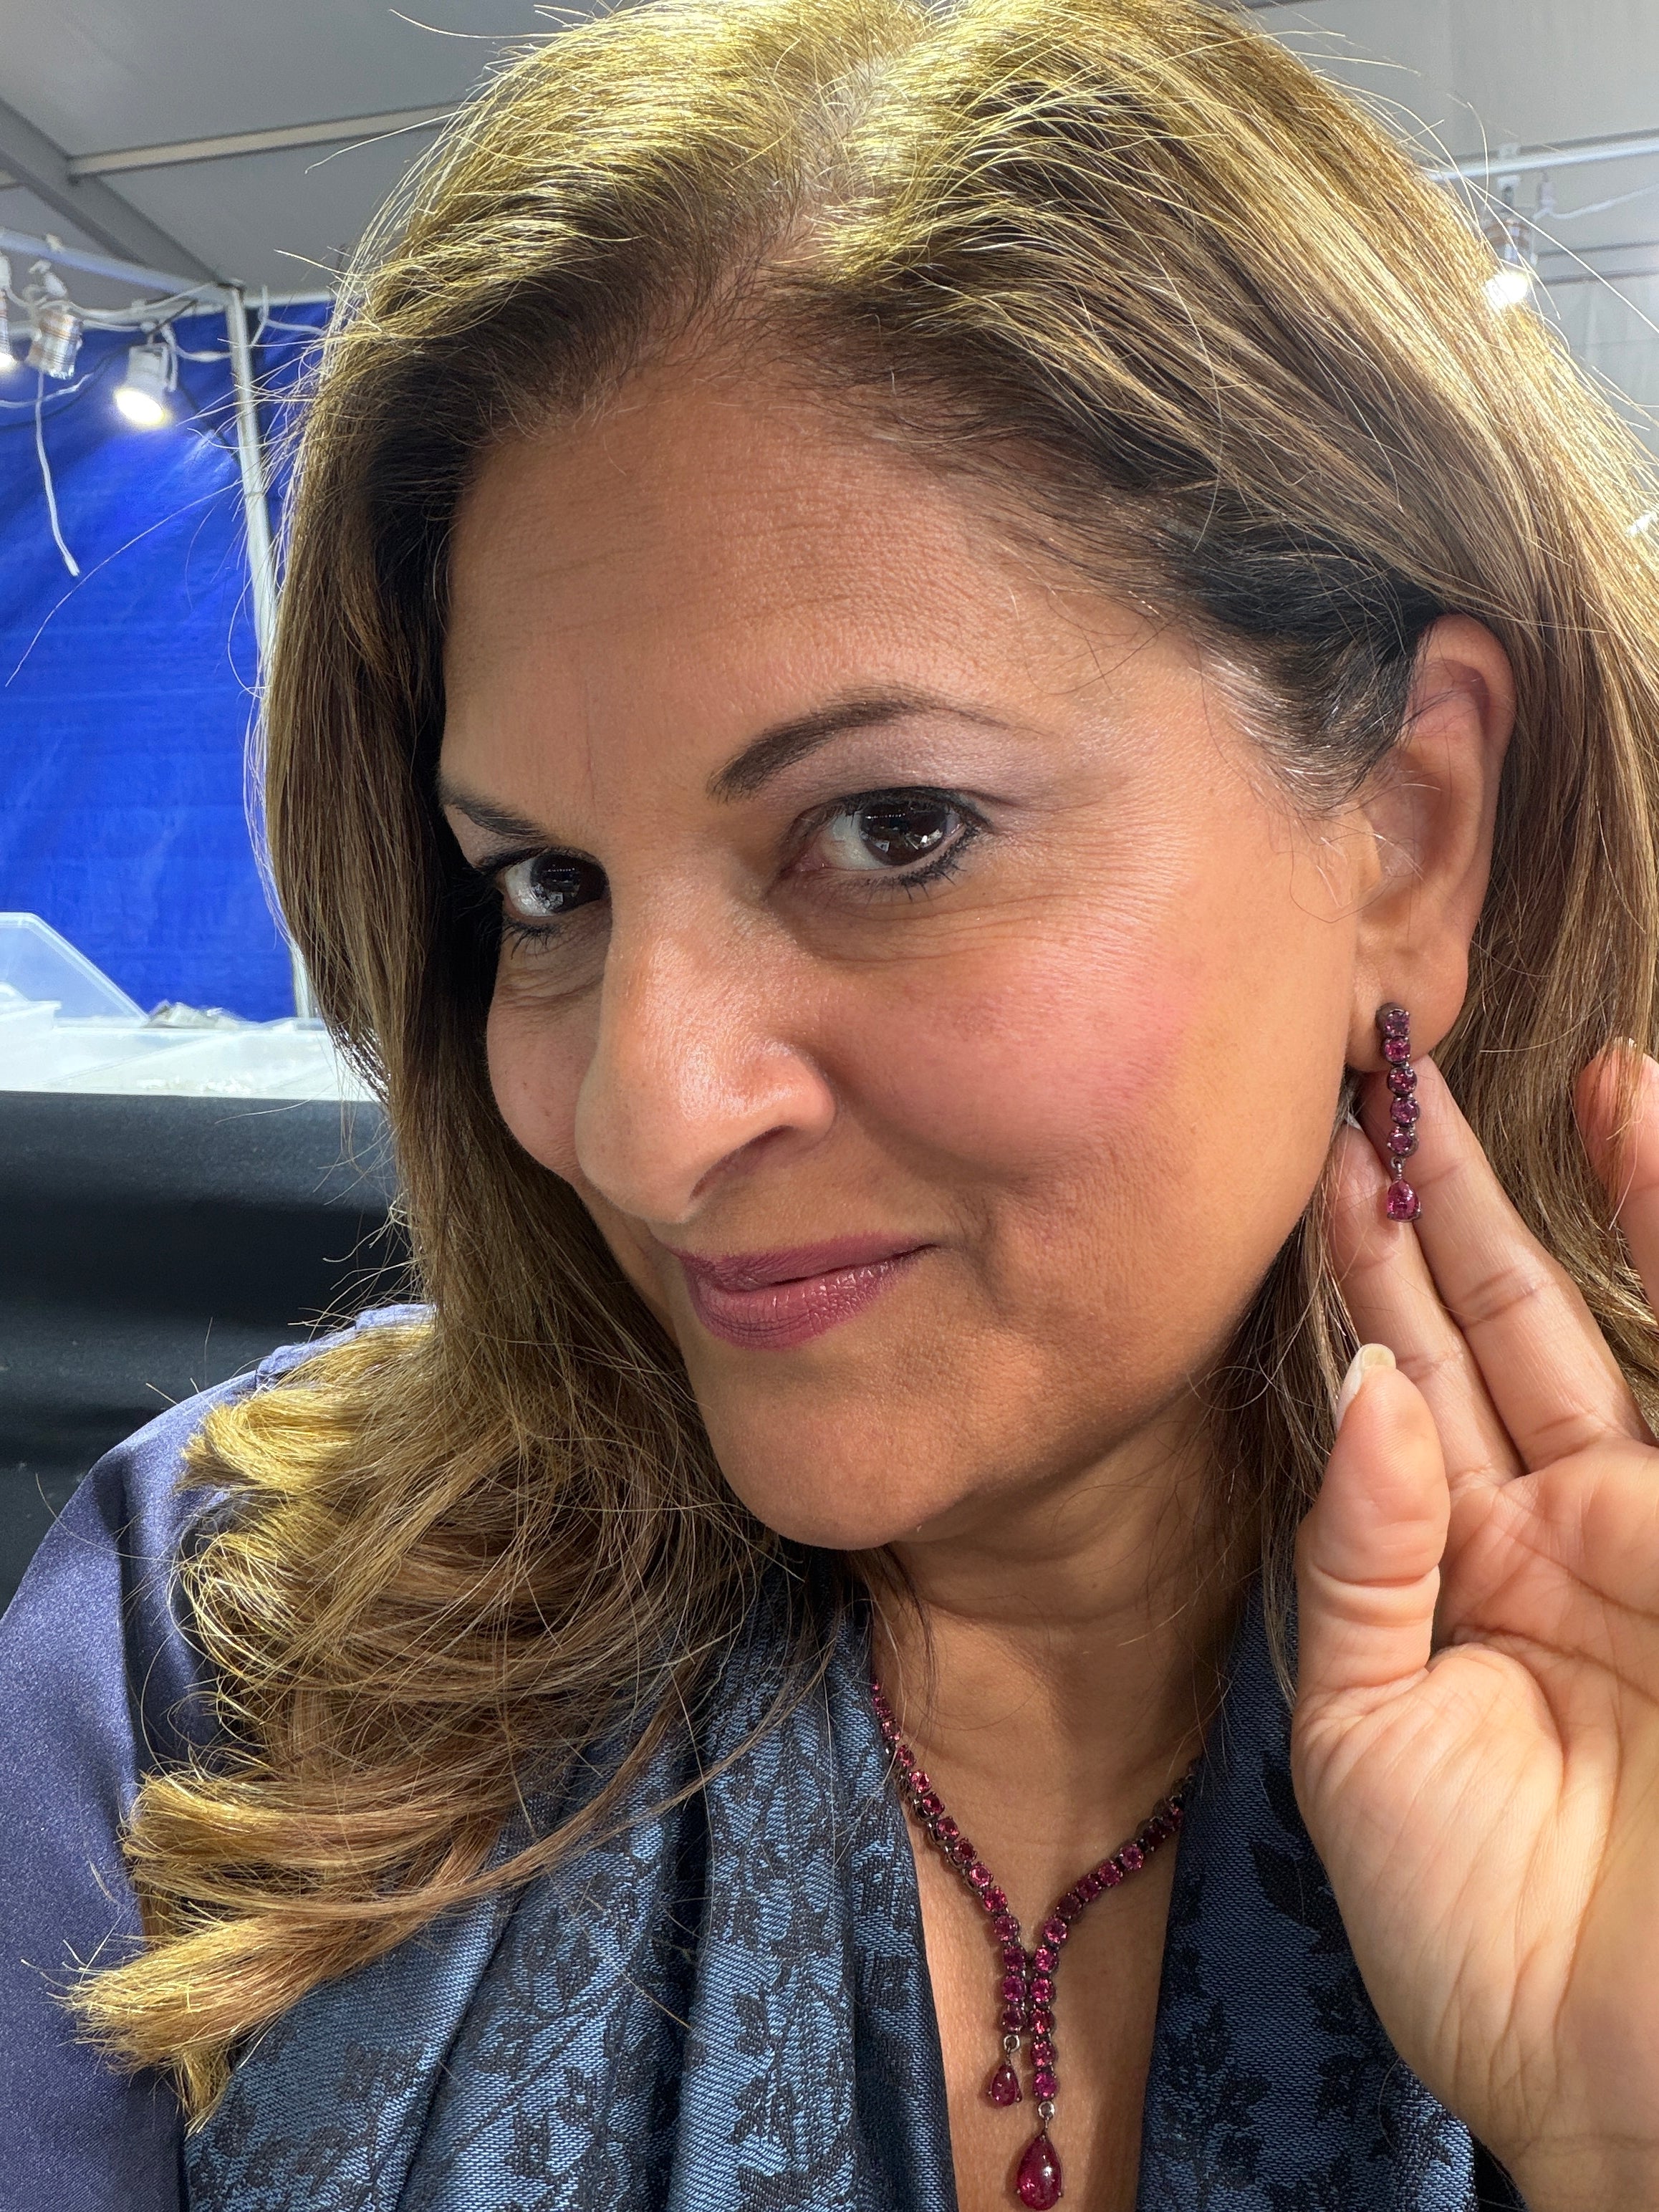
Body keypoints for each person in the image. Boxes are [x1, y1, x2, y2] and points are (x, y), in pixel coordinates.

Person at [6, 0, 1659, 2205]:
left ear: (1409, 832)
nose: (644, 1126)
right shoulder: (213, 1649)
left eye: (891, 832)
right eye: (545, 887)